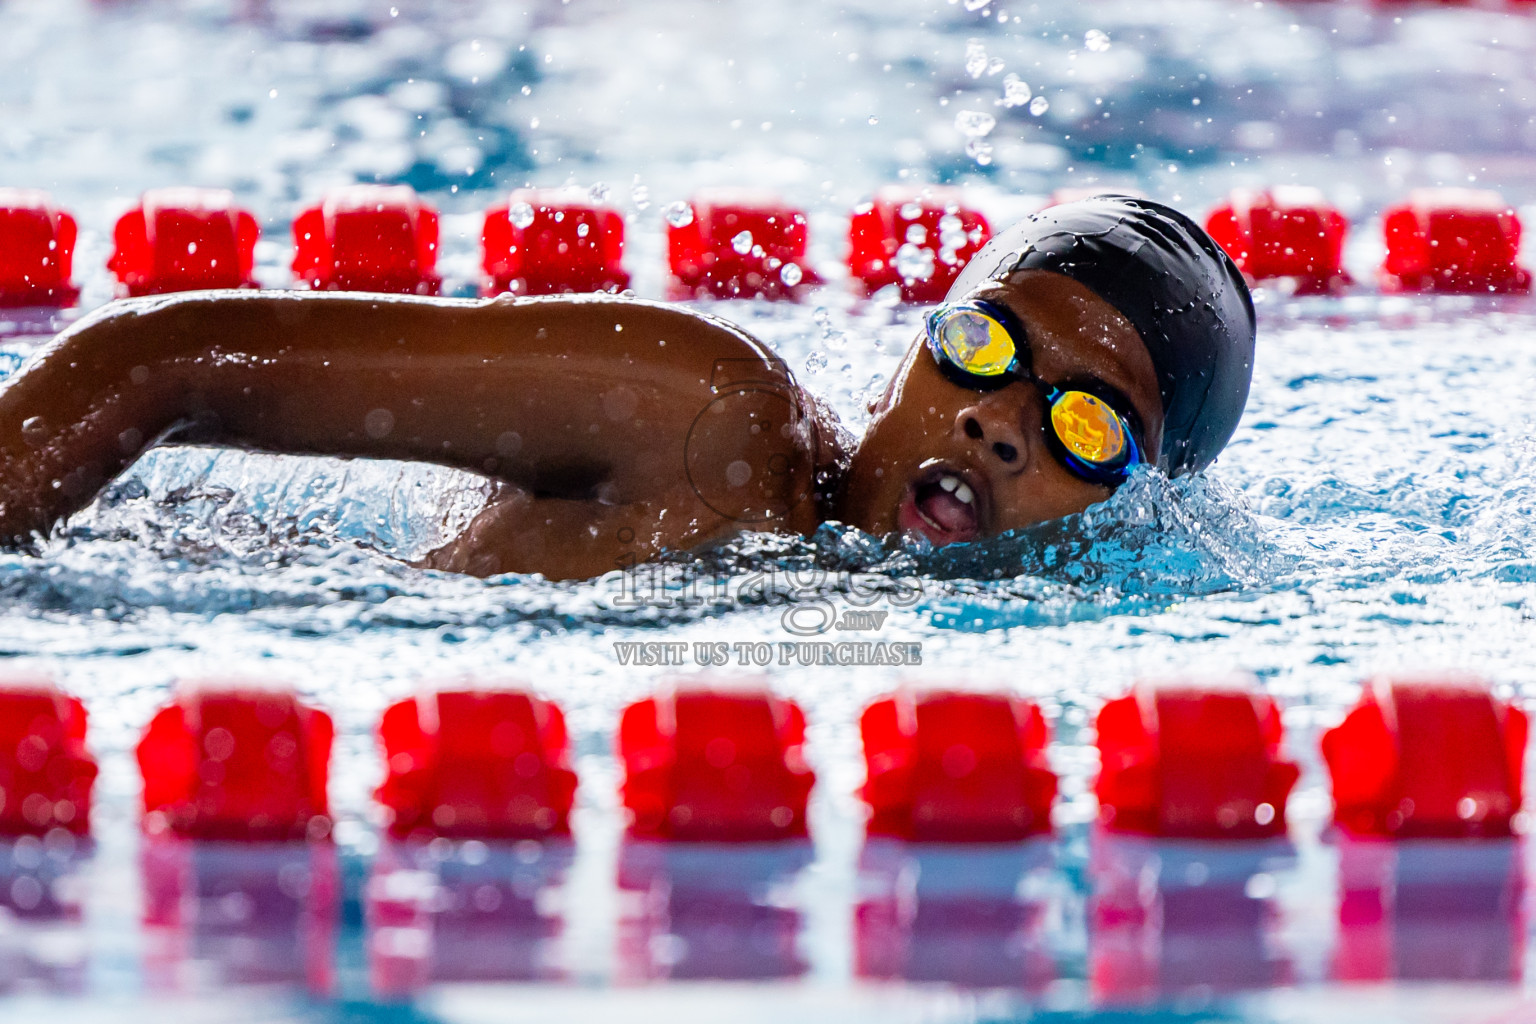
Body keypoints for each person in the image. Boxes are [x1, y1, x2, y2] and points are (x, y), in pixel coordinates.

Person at [0, 195, 1254, 581]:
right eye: (984, 345)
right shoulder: (701, 418)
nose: (995, 420)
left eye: (1087, 425)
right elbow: (155, 359)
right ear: (914, 344)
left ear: (1145, 503)